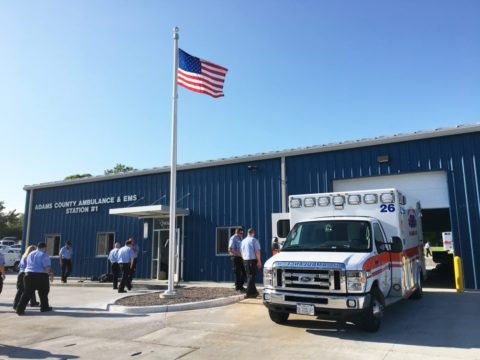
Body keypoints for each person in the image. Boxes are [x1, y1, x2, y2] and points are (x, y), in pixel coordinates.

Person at [16, 242, 54, 315]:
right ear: (44, 247)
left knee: (27, 293)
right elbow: (47, 267)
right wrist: (50, 274)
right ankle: (44, 307)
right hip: (40, 275)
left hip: (28, 275)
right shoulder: (44, 254)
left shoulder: (31, 253)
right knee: (43, 292)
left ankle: (19, 309)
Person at [13, 245, 40, 310]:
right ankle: (16, 304)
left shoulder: (23, 256)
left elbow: (19, 266)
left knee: (25, 289)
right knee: (25, 289)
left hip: (20, 273)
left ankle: (32, 302)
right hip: (26, 273)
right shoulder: (29, 257)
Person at [240, 228, 262, 298]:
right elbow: (257, 252)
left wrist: (244, 258)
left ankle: (254, 292)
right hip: (252, 260)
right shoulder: (254, 240)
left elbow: (241, 251)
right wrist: (259, 261)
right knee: (252, 276)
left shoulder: (243, 241)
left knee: (249, 276)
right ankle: (248, 293)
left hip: (245, 260)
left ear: (247, 233)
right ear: (253, 233)